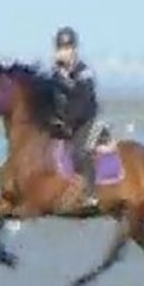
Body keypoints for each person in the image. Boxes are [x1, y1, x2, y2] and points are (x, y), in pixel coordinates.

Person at [50, 26, 105, 207]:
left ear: (74, 50)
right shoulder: (55, 74)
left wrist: (68, 122)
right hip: (65, 121)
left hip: (86, 120)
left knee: (80, 151)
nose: (63, 53)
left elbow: (82, 101)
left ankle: (91, 193)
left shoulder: (84, 73)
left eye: (67, 48)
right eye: (60, 48)